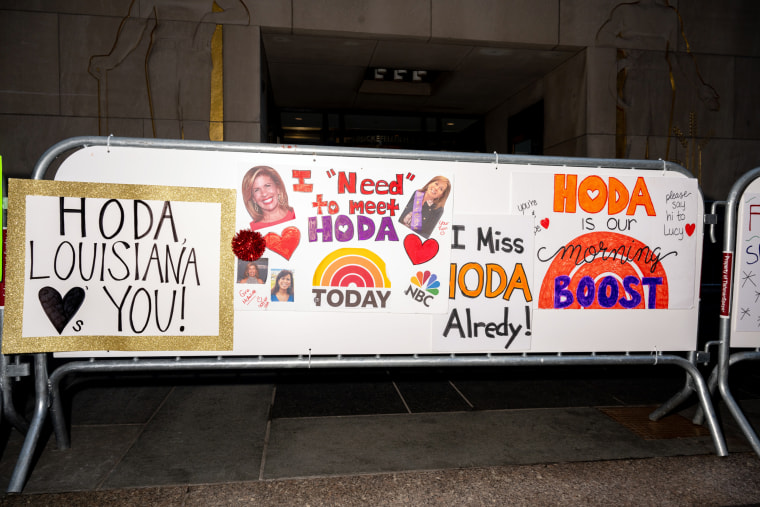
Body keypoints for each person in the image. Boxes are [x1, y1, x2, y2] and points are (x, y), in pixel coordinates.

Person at [242, 166, 296, 231]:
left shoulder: (297, 214)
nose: (264, 194)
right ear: (253, 198)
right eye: (256, 190)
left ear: (278, 188)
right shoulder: (251, 230)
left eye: (267, 186)